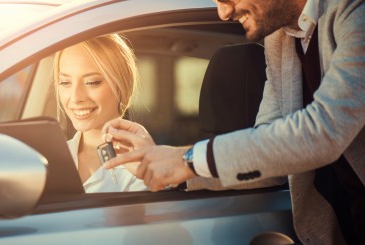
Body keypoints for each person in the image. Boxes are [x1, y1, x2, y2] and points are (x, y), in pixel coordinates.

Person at [104, 0, 365, 244]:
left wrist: (189, 159)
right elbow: (270, 161)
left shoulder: (355, 12)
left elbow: (324, 130)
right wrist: (174, 169)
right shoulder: (280, 39)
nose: (223, 13)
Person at [53, 34, 148, 193]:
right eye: (65, 82)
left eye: (92, 82)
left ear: (121, 85)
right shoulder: (47, 161)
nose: (76, 97)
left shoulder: (142, 166)